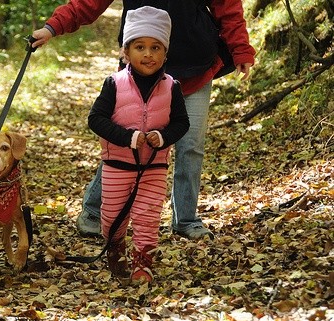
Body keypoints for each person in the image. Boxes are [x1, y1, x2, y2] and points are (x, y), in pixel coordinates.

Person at [31, 1, 256, 240]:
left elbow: (227, 7)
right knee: (125, 142)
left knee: (191, 146)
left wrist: (240, 48)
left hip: (195, 67)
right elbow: (88, 4)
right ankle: (94, 211)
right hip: (139, 70)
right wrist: (51, 28)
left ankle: (186, 219)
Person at [88, 6, 189, 282]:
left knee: (148, 215)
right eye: (140, 47)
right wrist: (127, 137)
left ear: (165, 53)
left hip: (154, 166)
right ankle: (115, 246)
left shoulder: (172, 87)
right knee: (111, 217)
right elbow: (95, 119)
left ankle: (142, 262)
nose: (148, 54)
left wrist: (164, 137)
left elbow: (182, 123)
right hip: (117, 165)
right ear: (126, 52)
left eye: (156, 47)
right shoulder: (114, 83)